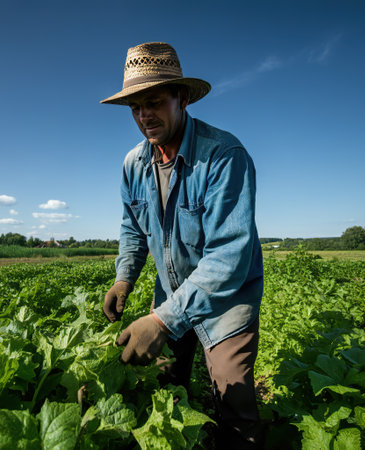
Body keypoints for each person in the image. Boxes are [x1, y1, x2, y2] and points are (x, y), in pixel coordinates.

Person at [100, 42, 264, 449]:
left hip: (226, 299)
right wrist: (124, 279)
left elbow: (229, 255)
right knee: (164, 389)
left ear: (182, 98)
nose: (143, 116)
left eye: (153, 102)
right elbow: (133, 228)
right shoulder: (133, 164)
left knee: (233, 396)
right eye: (135, 108)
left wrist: (160, 322)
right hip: (170, 294)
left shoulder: (224, 155)